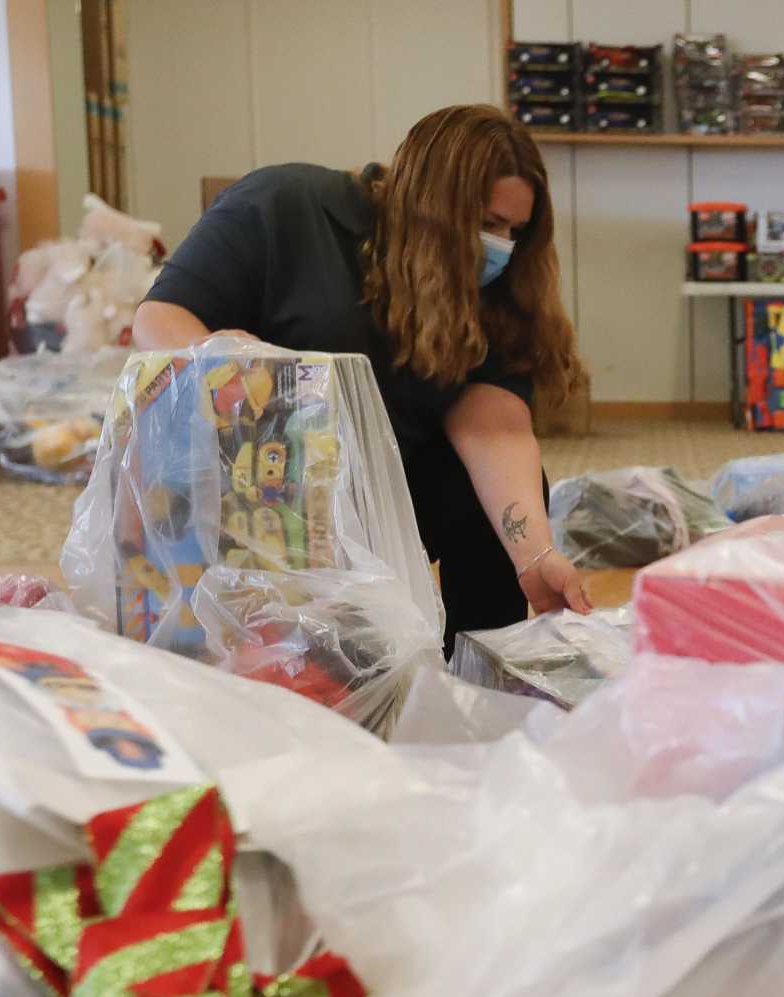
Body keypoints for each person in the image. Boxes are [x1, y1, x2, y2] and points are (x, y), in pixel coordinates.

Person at [132, 104, 592, 649]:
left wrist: (534, 555)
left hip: (377, 498)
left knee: (490, 492)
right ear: (429, 205)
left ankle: (478, 679)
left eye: (514, 230)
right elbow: (158, 318)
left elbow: (495, 427)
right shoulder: (284, 205)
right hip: (255, 485)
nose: (501, 247)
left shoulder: (495, 285)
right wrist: (240, 363)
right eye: (488, 224)